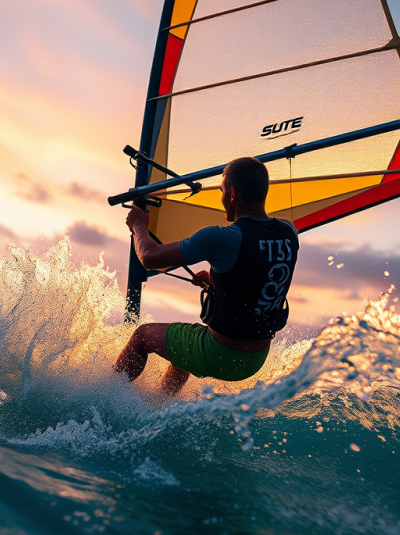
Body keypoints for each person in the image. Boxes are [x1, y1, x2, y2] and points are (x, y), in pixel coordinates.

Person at [114, 157, 299, 396]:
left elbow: (150, 257)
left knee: (143, 335)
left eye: (222, 191)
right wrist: (216, 283)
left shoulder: (224, 237)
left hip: (220, 353)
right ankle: (160, 406)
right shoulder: (289, 232)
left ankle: (105, 400)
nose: (221, 198)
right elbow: (261, 278)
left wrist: (138, 225)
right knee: (182, 350)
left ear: (232, 193)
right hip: (255, 358)